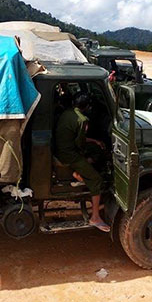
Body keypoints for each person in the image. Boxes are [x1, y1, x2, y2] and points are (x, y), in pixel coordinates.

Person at [55, 92, 110, 232]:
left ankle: (80, 173)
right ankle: (95, 217)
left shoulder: (67, 113)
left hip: (60, 149)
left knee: (96, 148)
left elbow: (76, 138)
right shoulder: (82, 120)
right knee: (96, 180)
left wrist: (94, 141)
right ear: (87, 107)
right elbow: (80, 144)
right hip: (70, 155)